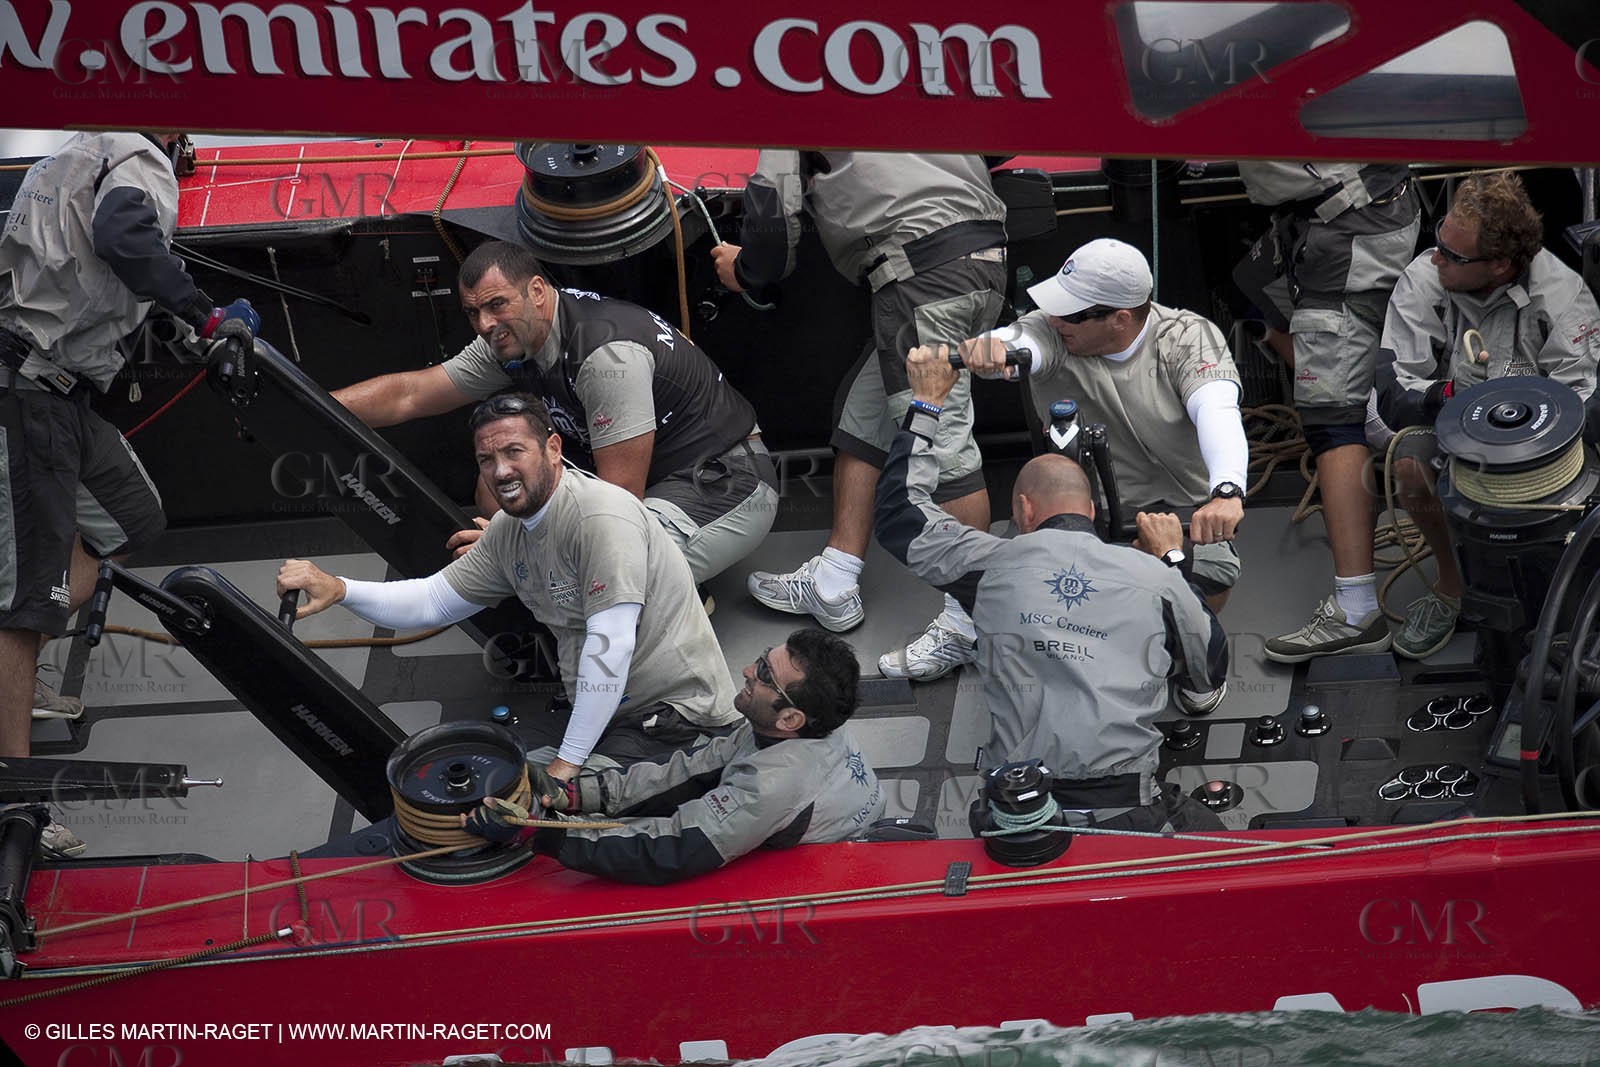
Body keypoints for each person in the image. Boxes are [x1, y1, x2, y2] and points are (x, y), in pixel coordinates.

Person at [0, 130, 257, 856]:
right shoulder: (138, 158)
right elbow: (121, 231)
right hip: (28, 393)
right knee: (23, 606)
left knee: (134, 519)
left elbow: (85, 252)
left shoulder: (73, 153)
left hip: (67, 394)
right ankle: (14, 793)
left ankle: (24, 660)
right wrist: (208, 315)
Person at [277, 392, 739, 782]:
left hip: (676, 721)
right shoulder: (509, 531)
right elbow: (431, 601)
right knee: (470, 770)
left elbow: (610, 646)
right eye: (486, 459)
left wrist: (565, 766)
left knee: (514, 801)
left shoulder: (600, 519)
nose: (500, 472)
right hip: (605, 714)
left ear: (553, 448)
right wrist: (340, 588)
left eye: (514, 452)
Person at [874, 347, 1230, 831]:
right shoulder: (1157, 578)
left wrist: (927, 403)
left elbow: (899, 512)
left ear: (1022, 511)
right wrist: (1171, 557)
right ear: (1090, 510)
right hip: (1127, 805)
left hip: (1019, 809)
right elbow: (1210, 668)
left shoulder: (988, 564)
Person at [712, 151, 1007, 680]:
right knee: (863, 414)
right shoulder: (908, 69)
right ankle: (835, 580)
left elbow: (774, 225)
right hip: (969, 256)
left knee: (945, 448)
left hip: (921, 274)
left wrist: (745, 270)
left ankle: (973, 620)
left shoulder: (792, 91)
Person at [333, 240, 777, 585]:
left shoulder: (605, 357)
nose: (485, 324)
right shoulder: (511, 337)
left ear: (538, 292)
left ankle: (672, 604)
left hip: (724, 484)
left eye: (496, 305)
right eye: (473, 312)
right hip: (650, 474)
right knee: (499, 487)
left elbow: (617, 506)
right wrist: (303, 404)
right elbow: (410, 395)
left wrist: (512, 551)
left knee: (596, 570)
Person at [961, 238, 1249, 618]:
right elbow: (1021, 340)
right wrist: (991, 347)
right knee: (1010, 582)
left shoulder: (1189, 337)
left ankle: (1192, 658)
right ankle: (963, 628)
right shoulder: (1053, 330)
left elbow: (1218, 409)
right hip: (1082, 510)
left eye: (1070, 313)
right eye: (1052, 307)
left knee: (1213, 571)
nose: (1053, 319)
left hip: (1182, 506)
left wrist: (1226, 492)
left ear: (1120, 319)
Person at [460, 628, 884, 885]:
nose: (748, 671)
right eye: (762, 658)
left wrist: (537, 834)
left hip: (818, 871)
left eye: (765, 674)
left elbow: (669, 849)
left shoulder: (770, 786)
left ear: (790, 717)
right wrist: (573, 795)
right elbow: (687, 772)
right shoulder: (796, 726)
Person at [1377, 171, 1600, 659]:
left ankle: (1568, 589)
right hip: (1452, 431)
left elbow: (1582, 404)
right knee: (1409, 466)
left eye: (1452, 256)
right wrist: (1453, 398)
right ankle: (1452, 587)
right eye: (1439, 242)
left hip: (1543, 454)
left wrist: (1520, 426)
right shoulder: (1425, 278)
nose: (1435, 257)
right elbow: (1394, 395)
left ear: (1500, 265)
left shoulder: (1563, 297)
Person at [1232, 161, 1421, 664]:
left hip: (1345, 235)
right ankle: (1377, 417)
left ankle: (1357, 612)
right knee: (1250, 281)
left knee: (1333, 421)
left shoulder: (1244, 78)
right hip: (1355, 214)